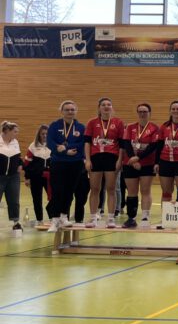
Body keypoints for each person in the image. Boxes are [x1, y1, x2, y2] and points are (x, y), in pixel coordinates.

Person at [45, 101, 86, 233]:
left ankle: (64, 216)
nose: (70, 112)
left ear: (76, 111)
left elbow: (82, 144)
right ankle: (55, 219)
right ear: (61, 111)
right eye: (67, 109)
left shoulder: (80, 127)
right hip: (58, 162)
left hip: (75, 163)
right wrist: (64, 152)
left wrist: (67, 147)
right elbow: (50, 142)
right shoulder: (54, 125)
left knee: (69, 190)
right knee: (57, 190)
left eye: (72, 109)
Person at [83, 97, 123, 228]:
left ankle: (111, 218)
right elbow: (87, 143)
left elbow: (122, 145)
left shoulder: (118, 122)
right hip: (96, 158)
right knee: (95, 189)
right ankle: (93, 217)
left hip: (112, 158)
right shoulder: (92, 122)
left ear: (112, 107)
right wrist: (88, 160)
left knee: (111, 188)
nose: (106, 107)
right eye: (103, 105)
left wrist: (120, 160)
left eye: (108, 105)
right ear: (99, 108)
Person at [121, 102, 161, 228]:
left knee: (145, 190)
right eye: (140, 111)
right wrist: (133, 160)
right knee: (132, 192)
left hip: (147, 164)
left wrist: (138, 158)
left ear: (149, 113)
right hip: (130, 164)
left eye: (145, 112)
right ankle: (131, 218)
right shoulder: (130, 127)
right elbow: (126, 144)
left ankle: (145, 217)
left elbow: (152, 146)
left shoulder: (155, 128)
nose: (142, 114)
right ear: (137, 113)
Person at [157, 101, 178, 222]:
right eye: (173, 109)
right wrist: (157, 162)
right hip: (165, 161)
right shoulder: (164, 126)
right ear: (170, 111)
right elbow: (159, 145)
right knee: (166, 192)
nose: (175, 111)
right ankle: (165, 218)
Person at [23, 125, 50, 229]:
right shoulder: (32, 146)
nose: (45, 136)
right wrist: (27, 178)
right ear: (39, 134)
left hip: (49, 177)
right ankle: (40, 220)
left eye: (46, 134)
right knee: (37, 199)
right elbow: (27, 163)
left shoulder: (53, 145)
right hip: (36, 177)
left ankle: (53, 217)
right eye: (43, 134)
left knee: (53, 198)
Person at [0, 121, 23, 235]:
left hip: (13, 176)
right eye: (15, 132)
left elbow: (18, 157)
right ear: (7, 131)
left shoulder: (15, 142)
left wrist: (20, 164)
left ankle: (16, 223)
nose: (16, 134)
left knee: (14, 200)